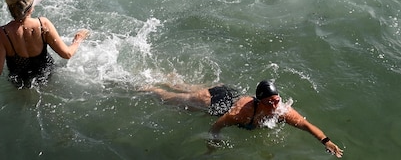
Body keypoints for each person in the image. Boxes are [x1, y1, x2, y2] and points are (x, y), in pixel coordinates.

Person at [144, 80, 344, 157]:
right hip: (216, 101)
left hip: (232, 95)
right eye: (270, 102)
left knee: (189, 90)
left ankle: (170, 79)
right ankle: (149, 88)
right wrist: (213, 143)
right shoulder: (241, 114)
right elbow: (216, 125)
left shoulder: (282, 111)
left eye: (277, 100)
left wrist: (326, 141)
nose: (275, 106)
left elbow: (306, 125)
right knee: (176, 102)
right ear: (260, 101)